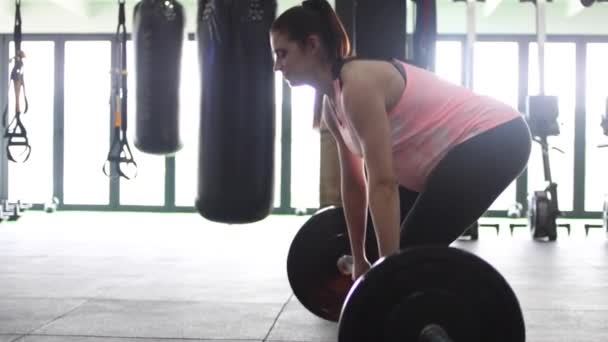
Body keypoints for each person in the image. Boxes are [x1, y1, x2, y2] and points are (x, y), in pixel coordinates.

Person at [270, 0, 532, 280]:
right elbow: (355, 186)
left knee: (406, 258)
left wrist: (386, 277)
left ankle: (447, 314)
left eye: (282, 54)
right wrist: (359, 258)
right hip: (450, 158)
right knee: (383, 244)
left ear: (312, 45)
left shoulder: (357, 85)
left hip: (494, 138)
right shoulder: (331, 108)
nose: (277, 66)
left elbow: (383, 183)